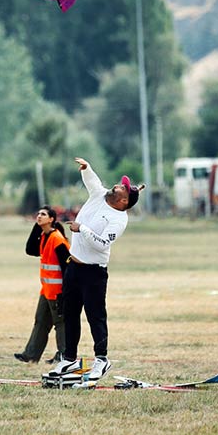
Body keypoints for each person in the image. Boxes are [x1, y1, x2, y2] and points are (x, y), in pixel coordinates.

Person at [49, 157, 144, 385]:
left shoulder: (119, 219)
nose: (118, 185)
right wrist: (87, 168)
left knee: (95, 317)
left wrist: (81, 229)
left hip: (94, 273)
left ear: (123, 200)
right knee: (70, 314)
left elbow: (102, 244)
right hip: (74, 266)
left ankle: (101, 359)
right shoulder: (99, 195)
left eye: (122, 187)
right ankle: (69, 358)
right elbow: (93, 182)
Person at [14, 206, 70, 364]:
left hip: (58, 291)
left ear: (51, 219)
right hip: (46, 290)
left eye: (43, 214)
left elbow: (68, 267)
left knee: (61, 323)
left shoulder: (57, 239)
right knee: (41, 321)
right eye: (38, 214)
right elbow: (30, 249)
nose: (39, 216)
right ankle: (31, 354)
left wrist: (67, 292)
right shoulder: (45, 236)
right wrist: (37, 226)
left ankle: (64, 355)